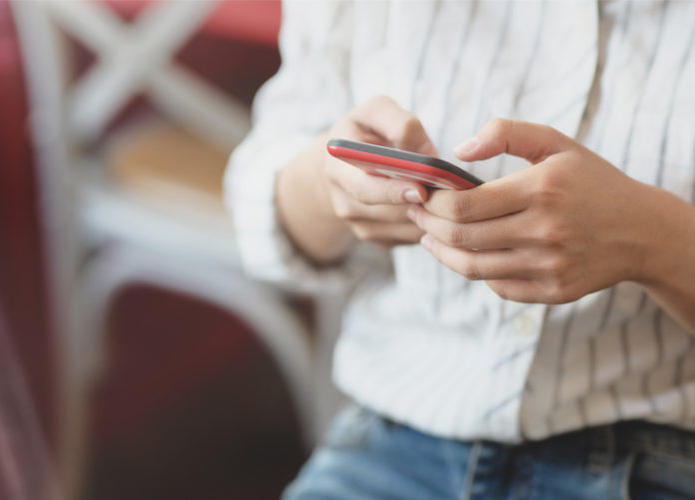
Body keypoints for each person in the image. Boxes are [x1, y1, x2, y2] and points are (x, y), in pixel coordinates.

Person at [225, 1, 695, 498]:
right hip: (397, 433)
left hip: (662, 456)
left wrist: (652, 242)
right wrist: (331, 188)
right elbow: (264, 207)